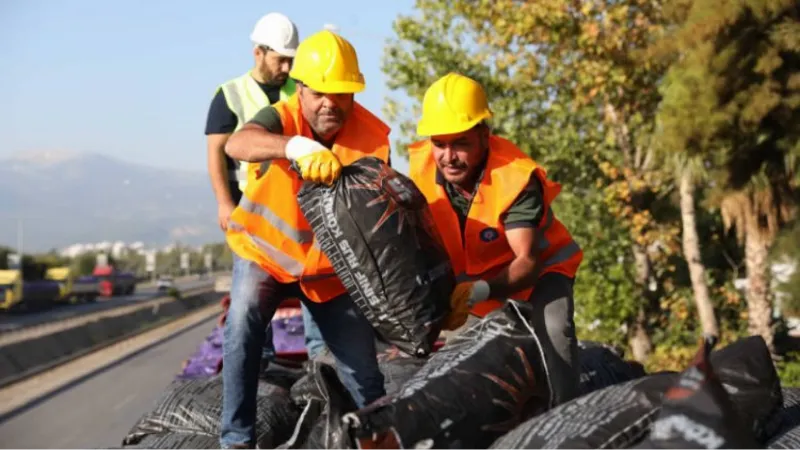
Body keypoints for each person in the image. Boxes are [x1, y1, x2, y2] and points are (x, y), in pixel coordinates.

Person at [221, 29, 391, 449]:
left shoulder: (372, 138)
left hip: (327, 270)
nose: (330, 103)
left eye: (341, 93)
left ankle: (379, 440)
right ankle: (237, 440)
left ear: (354, 93)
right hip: (267, 255)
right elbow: (238, 144)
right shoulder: (283, 117)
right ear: (301, 89)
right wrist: (292, 146)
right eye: (319, 93)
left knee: (362, 370)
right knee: (242, 325)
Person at [407, 72, 584, 407]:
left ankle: (564, 416)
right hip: (472, 283)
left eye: (461, 143)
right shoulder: (419, 170)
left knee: (554, 331)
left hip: (541, 273)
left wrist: (480, 290)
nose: (448, 156)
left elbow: (527, 262)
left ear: (484, 136)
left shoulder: (515, 178)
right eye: (440, 144)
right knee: (456, 361)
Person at [204, 12, 325, 369]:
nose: (287, 67)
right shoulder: (229, 95)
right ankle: (264, 365)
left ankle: (321, 362)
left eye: (292, 59)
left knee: (315, 290)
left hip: (303, 210)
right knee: (255, 296)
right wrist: (224, 203)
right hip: (253, 211)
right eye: (281, 59)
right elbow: (216, 154)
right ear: (259, 52)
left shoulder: (300, 90)